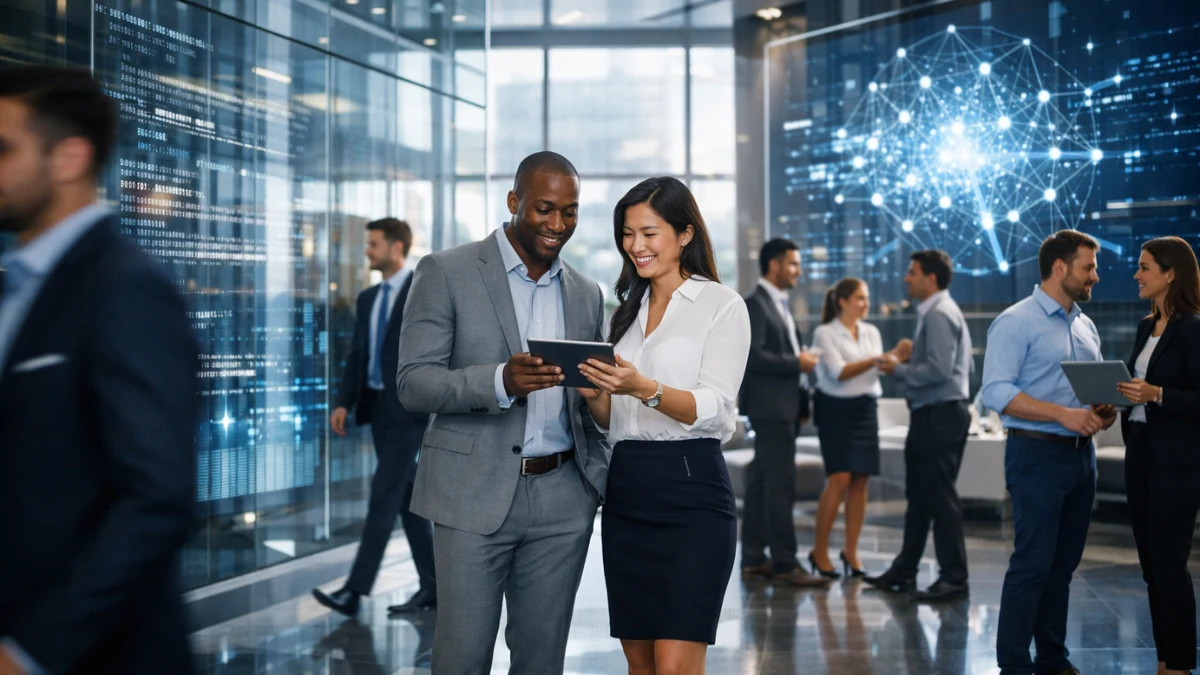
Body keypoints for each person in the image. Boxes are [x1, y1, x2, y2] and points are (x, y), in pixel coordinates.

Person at [0, 66, 199, 674]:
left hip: (91, 654)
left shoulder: (124, 288)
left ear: (69, 158)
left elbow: (156, 499)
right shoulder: (23, 285)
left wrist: (31, 651)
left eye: (3, 150)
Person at [396, 151, 609, 675]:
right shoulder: (445, 271)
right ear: (514, 201)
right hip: (470, 493)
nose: (558, 224)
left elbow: (590, 400)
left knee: (542, 661)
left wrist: (593, 483)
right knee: (462, 658)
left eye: (570, 212)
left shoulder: (586, 293)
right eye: (544, 209)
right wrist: (499, 381)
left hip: (563, 499)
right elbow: (413, 383)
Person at [577, 176, 751, 674]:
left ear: (685, 233)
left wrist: (644, 387)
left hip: (691, 490)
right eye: (627, 234)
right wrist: (595, 395)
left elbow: (716, 408)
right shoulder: (625, 314)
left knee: (674, 664)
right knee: (640, 664)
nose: (636, 246)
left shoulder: (721, 305)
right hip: (627, 489)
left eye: (649, 233)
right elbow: (614, 423)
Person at [981, 230, 1116, 675]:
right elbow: (996, 391)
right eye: (1088, 267)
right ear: (1060, 267)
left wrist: (1102, 410)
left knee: (1062, 567)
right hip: (1035, 456)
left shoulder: (1085, 325)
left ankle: (1053, 659)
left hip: (1081, 459)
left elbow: (1089, 396)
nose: (1095, 275)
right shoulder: (1015, 321)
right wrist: (1063, 415)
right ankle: (1014, 665)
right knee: (1031, 566)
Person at [312, 218, 436, 618]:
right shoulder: (368, 298)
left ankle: (354, 590)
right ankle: (434, 587)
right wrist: (343, 402)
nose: (367, 251)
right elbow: (358, 355)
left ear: (396, 248)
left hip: (409, 410)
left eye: (374, 244)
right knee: (406, 499)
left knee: (383, 494)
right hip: (378, 409)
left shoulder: (422, 291)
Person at [1114, 236, 1200, 675]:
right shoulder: (1146, 327)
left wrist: (1157, 394)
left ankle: (1180, 664)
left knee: (1169, 564)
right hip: (1141, 452)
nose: (1137, 274)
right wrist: (1118, 396)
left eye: (1145, 267)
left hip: (1177, 462)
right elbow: (1140, 390)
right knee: (1150, 566)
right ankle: (1164, 660)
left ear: (1170, 274)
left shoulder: (1193, 328)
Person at [870, 249, 973, 601]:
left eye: (912, 272)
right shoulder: (937, 311)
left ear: (931, 278)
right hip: (933, 414)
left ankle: (954, 577)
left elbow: (940, 371)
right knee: (919, 497)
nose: (906, 278)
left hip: (939, 415)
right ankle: (905, 570)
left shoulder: (940, 314)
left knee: (940, 498)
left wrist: (897, 370)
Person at [738, 237, 828, 588]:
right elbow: (753, 356)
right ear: (774, 265)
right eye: (793, 264)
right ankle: (786, 563)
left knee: (761, 483)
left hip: (782, 408)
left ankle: (753, 558)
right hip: (770, 409)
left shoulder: (779, 303)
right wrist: (797, 363)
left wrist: (800, 404)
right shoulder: (756, 303)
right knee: (780, 486)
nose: (798, 271)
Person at [808, 278, 907, 579]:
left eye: (867, 298)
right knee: (839, 479)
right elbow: (838, 373)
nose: (866, 304)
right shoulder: (825, 333)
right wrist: (878, 359)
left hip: (865, 409)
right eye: (860, 298)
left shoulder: (871, 332)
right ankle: (819, 551)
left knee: (861, 481)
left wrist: (894, 358)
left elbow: (878, 370)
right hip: (834, 411)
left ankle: (851, 552)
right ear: (843, 301)